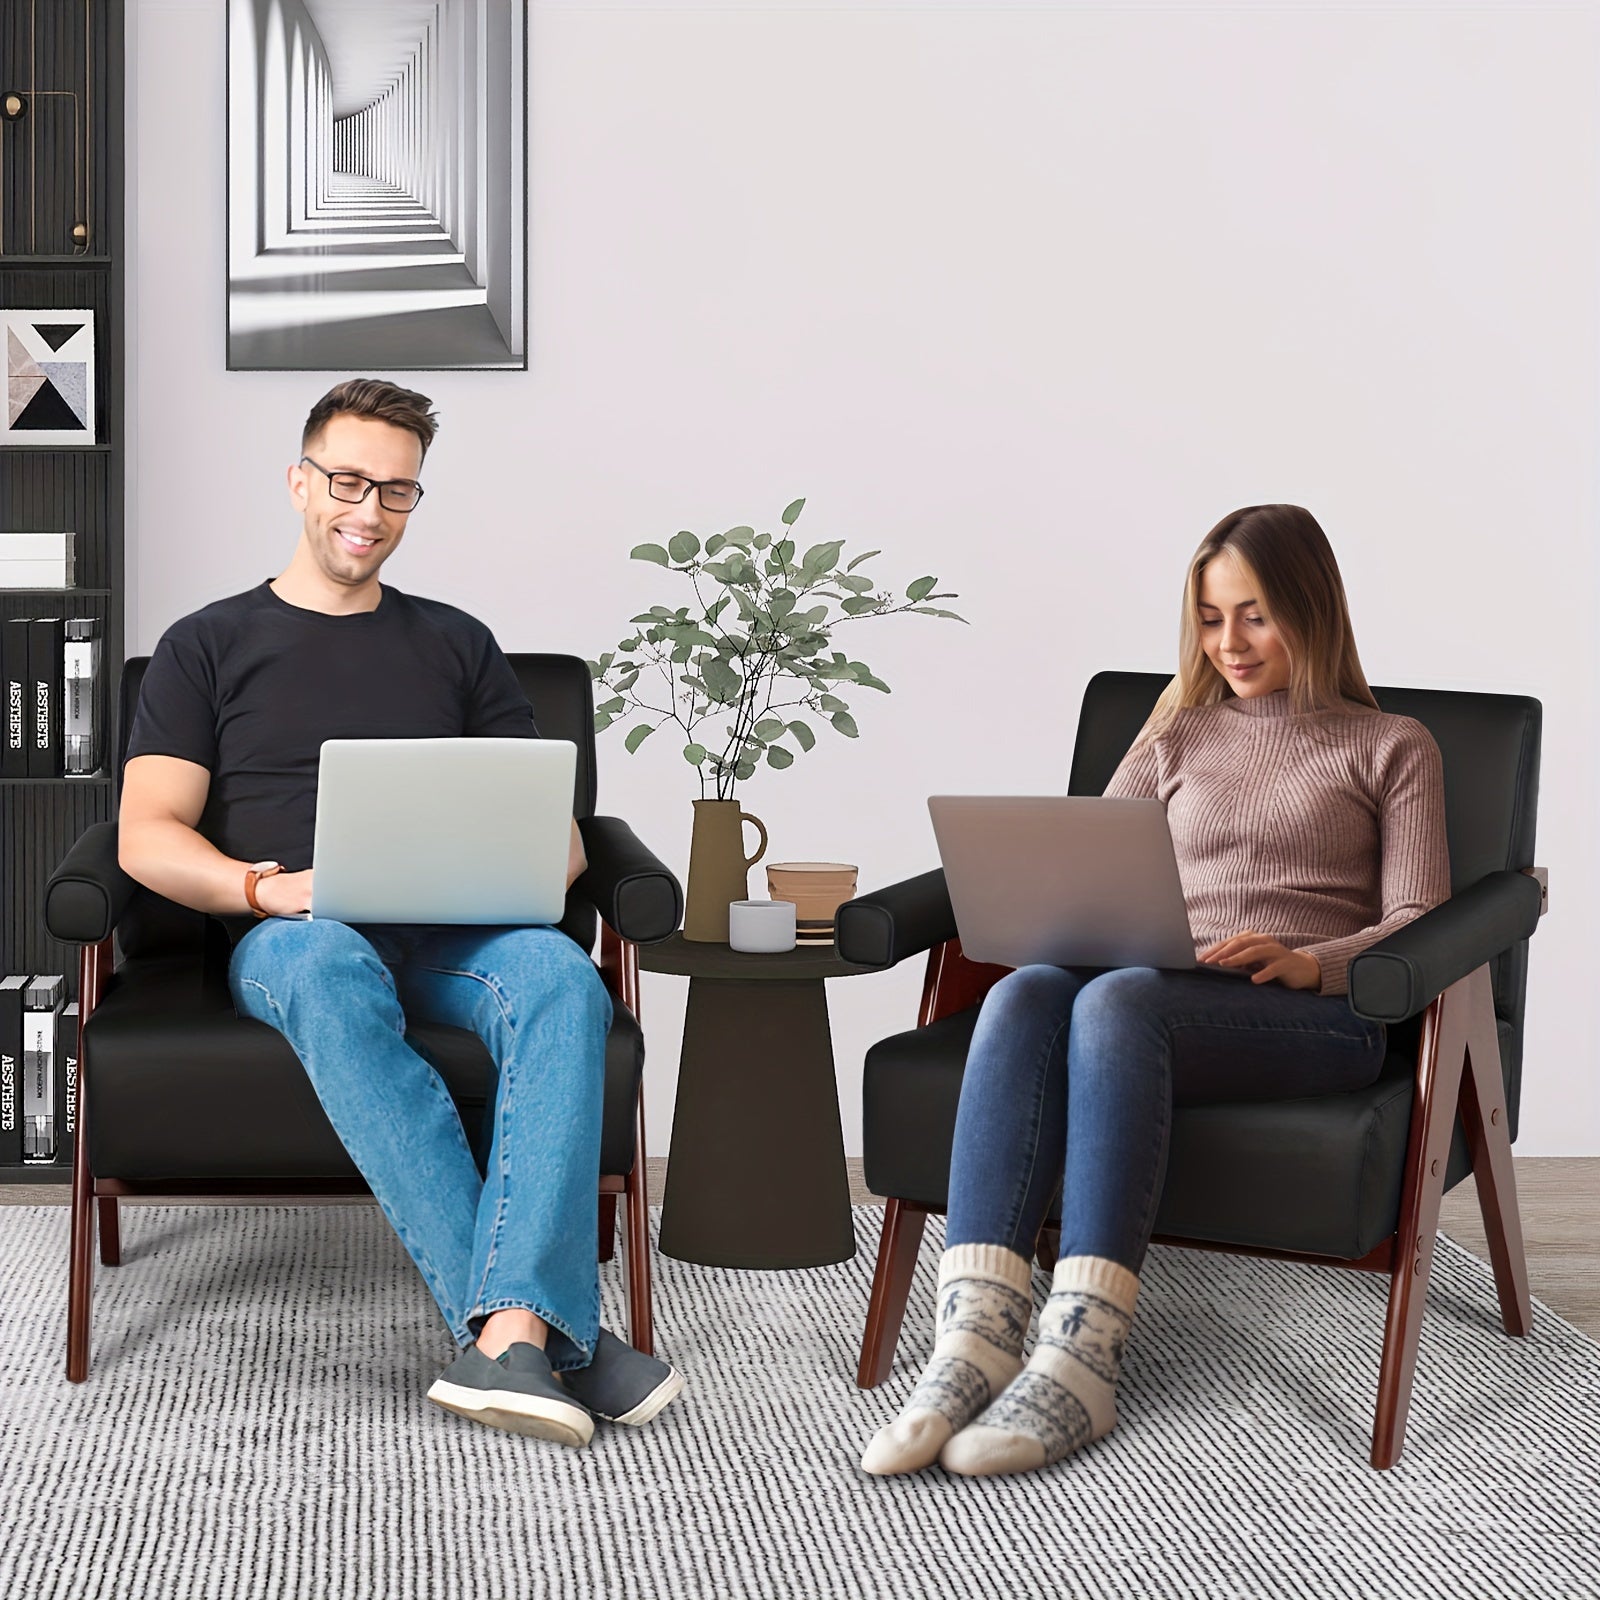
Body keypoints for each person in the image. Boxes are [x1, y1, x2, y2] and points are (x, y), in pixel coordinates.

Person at [117, 378, 682, 1449]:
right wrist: (261, 888)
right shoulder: (206, 644)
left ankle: (510, 1332)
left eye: (397, 491)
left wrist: (531, 863)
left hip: (454, 929)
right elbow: (147, 834)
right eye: (347, 481)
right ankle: (553, 1335)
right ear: (300, 482)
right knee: (329, 969)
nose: (368, 510)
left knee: (564, 978)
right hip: (300, 932)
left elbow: (553, 829)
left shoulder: (458, 644)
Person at [861, 504, 1449, 1479]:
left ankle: (1083, 1358)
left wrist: (1319, 961)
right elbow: (1091, 861)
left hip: (1311, 1012)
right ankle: (971, 1342)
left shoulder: (1390, 745)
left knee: (1115, 1002)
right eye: (1211, 618)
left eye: (1254, 616)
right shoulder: (1176, 728)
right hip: (1157, 984)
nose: (1229, 643)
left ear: (1310, 606)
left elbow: (1420, 918)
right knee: (1024, 993)